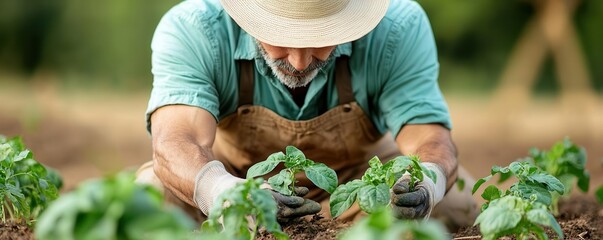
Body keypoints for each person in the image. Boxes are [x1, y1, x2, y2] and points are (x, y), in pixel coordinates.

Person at [135, 0, 479, 231]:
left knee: (456, 205)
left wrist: (426, 184)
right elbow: (177, 140)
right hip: (234, 176)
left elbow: (429, 137)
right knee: (148, 196)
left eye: (321, 37)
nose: (300, 62)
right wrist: (226, 194)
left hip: (355, 186)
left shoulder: (398, 28)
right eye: (279, 36)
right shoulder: (196, 29)